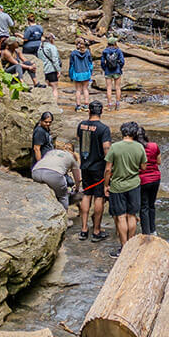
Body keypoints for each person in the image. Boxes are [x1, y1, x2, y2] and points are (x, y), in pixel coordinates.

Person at [103, 121, 146, 257]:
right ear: (134, 133)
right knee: (132, 215)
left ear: (123, 132)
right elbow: (143, 167)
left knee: (121, 217)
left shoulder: (115, 147)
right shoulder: (139, 147)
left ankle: (123, 247)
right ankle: (131, 247)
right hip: (134, 185)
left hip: (117, 187)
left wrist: (105, 185)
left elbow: (108, 169)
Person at [76, 100, 111, 241]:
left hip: (85, 166)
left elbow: (79, 140)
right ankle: (96, 230)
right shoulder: (103, 129)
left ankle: (84, 229)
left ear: (89, 111)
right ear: (101, 112)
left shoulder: (81, 125)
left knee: (86, 194)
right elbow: (106, 149)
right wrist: (110, 167)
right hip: (98, 167)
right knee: (99, 197)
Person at [31, 141, 82, 211]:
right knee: (63, 196)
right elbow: (77, 178)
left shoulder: (51, 152)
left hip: (36, 172)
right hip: (53, 175)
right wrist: (76, 189)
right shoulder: (71, 158)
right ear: (73, 152)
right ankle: (64, 216)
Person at [134, 123, 161, 236]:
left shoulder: (135, 148)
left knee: (143, 206)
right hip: (155, 178)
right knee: (151, 205)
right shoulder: (154, 146)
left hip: (142, 180)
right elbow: (159, 162)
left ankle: (146, 232)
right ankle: (153, 230)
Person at [69, 37, 94, 111]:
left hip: (77, 73)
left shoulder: (73, 53)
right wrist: (90, 72)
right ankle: (86, 105)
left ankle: (78, 106)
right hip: (86, 73)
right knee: (85, 89)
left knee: (78, 90)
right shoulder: (87, 52)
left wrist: (71, 75)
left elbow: (71, 65)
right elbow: (90, 63)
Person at [100, 36, 125, 110]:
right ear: (115, 43)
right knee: (117, 88)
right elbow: (122, 61)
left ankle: (109, 105)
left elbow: (102, 62)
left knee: (109, 88)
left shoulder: (105, 51)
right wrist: (119, 68)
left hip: (108, 71)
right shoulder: (118, 51)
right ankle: (117, 104)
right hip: (117, 71)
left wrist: (105, 68)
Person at [39, 33, 62, 102]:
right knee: (54, 88)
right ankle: (54, 106)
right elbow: (55, 60)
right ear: (51, 39)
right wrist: (58, 70)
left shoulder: (40, 47)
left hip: (43, 69)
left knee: (47, 87)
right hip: (51, 70)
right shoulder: (52, 47)